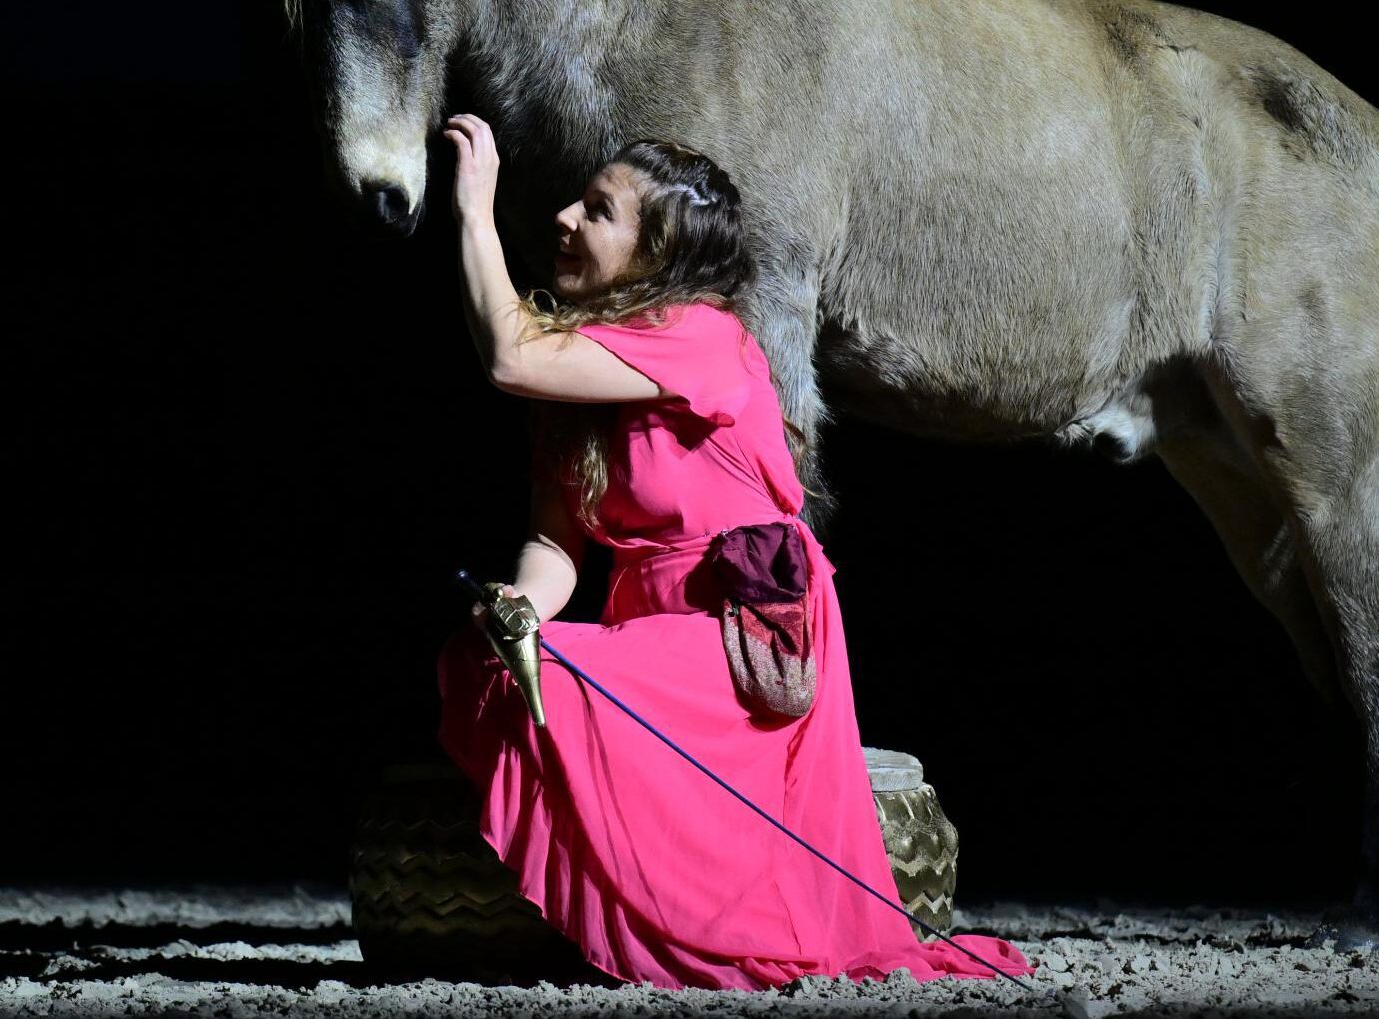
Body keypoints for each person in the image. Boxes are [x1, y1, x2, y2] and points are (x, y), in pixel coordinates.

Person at [431, 112, 1035, 990]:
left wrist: (474, 212)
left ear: (657, 252)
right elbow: (551, 541)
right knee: (493, 658)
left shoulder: (701, 334)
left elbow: (509, 356)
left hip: (739, 641)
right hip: (655, 638)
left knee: (562, 680)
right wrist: (524, 604)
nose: (564, 217)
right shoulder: (583, 379)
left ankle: (681, 927)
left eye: (598, 211)